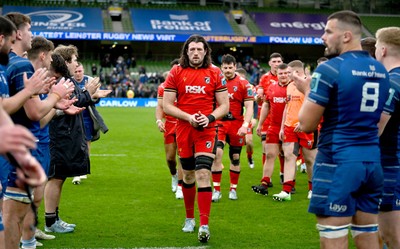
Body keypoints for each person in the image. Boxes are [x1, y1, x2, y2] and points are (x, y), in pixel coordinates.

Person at [293, 10, 390, 249]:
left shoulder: (330, 69)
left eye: (328, 32)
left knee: (332, 236)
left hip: (338, 163)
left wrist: (306, 90)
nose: (323, 37)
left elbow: (306, 124)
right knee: (367, 235)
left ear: (346, 36)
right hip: (371, 162)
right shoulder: (381, 71)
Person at [4, 12, 74, 248]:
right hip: (18, 152)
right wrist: (56, 95)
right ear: (18, 33)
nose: (32, 36)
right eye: (30, 30)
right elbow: (34, 114)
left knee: (14, 214)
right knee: (13, 218)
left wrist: (55, 103)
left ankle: (29, 241)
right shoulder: (20, 64)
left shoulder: (9, 64)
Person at [163, 34, 229, 243]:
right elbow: (167, 105)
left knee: (202, 174)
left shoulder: (215, 73)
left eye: (200, 49)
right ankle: (189, 218)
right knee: (188, 176)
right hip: (184, 130)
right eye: (192, 49)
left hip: (207, 130)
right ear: (186, 51)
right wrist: (189, 117)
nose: (196, 53)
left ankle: (204, 224)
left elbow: (224, 106)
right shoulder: (176, 72)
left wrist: (208, 118)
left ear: (206, 52)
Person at [43, 44, 100, 235]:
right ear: (66, 61)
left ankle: (54, 218)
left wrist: (90, 95)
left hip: (66, 134)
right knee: (56, 177)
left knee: (60, 177)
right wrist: (88, 93)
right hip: (59, 135)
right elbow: (72, 101)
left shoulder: (66, 79)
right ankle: (50, 220)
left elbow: (74, 100)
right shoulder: (58, 80)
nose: (77, 64)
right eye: (74, 60)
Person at [272, 60, 317, 202]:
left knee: (310, 160)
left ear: (297, 72)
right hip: (289, 127)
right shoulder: (290, 85)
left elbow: (314, 106)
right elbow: (288, 106)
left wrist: (303, 122)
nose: (287, 74)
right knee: (289, 157)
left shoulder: (310, 84)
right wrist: (282, 127)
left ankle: (312, 190)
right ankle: (286, 191)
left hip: (307, 126)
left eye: (289, 72)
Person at [211, 54, 254, 202]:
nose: (228, 70)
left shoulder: (244, 84)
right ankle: (216, 190)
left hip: (236, 125)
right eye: (225, 67)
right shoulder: (216, 82)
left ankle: (233, 189)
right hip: (219, 123)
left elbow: (249, 107)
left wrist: (245, 125)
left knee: (235, 158)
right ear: (221, 67)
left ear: (235, 67)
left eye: (230, 67)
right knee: (217, 154)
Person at [375, 26, 400, 249]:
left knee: (391, 237)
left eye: (375, 46)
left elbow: (376, 129)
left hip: (390, 164)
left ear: (382, 50)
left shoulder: (391, 83)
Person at [252, 63, 290, 196]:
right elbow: (266, 106)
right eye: (281, 73)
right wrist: (260, 124)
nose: (284, 76)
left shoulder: (294, 88)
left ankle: (289, 184)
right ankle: (264, 183)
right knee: (269, 155)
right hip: (273, 127)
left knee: (288, 156)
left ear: (289, 74)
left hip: (289, 127)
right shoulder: (272, 88)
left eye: (286, 73)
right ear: (277, 75)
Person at [72, 62, 110, 185]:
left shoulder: (90, 80)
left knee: (87, 142)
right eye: (76, 71)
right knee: (75, 143)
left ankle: (82, 168)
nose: (78, 74)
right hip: (73, 115)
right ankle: (78, 169)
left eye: (80, 71)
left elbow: (95, 99)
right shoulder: (69, 81)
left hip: (87, 116)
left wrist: (96, 96)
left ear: (83, 70)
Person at [156, 60, 183, 200]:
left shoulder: (187, 84)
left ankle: (180, 186)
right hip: (170, 124)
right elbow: (160, 106)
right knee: (170, 158)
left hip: (184, 124)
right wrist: (159, 120)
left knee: (182, 156)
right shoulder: (164, 87)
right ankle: (174, 176)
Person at [257, 53, 284, 184]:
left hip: (283, 119)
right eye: (274, 61)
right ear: (269, 63)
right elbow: (260, 95)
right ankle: (267, 178)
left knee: (284, 151)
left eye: (279, 61)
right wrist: (258, 96)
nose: (277, 63)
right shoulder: (265, 78)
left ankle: (283, 174)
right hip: (267, 119)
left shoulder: (286, 78)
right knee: (266, 150)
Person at [236, 67, 257, 169]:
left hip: (247, 119)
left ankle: (249, 157)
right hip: (234, 119)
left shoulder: (250, 88)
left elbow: (255, 103)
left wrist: (254, 117)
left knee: (248, 142)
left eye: (241, 77)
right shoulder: (228, 86)